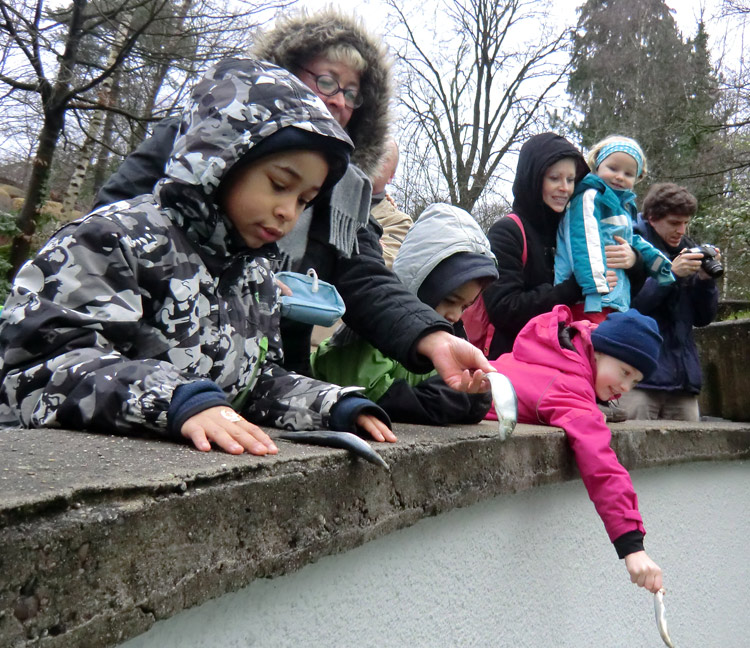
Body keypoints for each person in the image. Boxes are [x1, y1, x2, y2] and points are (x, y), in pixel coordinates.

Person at [0, 58, 397, 455]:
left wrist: (333, 405)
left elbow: (256, 382)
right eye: (279, 184)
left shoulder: (255, 274)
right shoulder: (112, 240)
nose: (288, 212)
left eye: (304, 200)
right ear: (222, 159)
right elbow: (40, 367)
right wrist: (176, 401)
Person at [92, 8, 492, 393]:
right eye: (328, 81)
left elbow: (364, 279)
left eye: (352, 94)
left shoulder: (347, 192)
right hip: (148, 367)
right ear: (282, 71)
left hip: (273, 376)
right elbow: (110, 232)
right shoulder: (194, 138)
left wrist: (432, 336)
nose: (340, 101)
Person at [488, 306, 664, 592]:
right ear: (597, 351)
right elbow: (601, 463)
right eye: (624, 371)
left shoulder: (552, 353)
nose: (625, 387)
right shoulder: (570, 390)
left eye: (635, 381)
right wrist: (632, 546)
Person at [311, 203, 497, 425]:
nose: (456, 315)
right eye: (450, 300)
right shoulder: (371, 333)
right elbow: (373, 394)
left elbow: (461, 398)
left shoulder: (451, 336)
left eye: (465, 307)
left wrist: (476, 395)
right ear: (422, 282)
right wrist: (451, 401)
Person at [618, 183, 720, 421]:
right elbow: (628, 309)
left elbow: (703, 318)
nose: (681, 231)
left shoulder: (688, 250)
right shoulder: (628, 247)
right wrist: (670, 275)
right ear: (652, 218)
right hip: (637, 380)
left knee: (691, 457)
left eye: (685, 223)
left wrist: (705, 281)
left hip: (682, 383)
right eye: (674, 223)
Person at [554, 135, 674, 323]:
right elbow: (584, 241)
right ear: (598, 165)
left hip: (614, 300)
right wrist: (594, 288)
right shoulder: (590, 197)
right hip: (589, 301)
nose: (619, 176)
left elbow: (632, 240)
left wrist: (659, 265)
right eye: (613, 168)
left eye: (628, 174)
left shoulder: (621, 207)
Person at [369, 136, 414, 268]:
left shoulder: (400, 222)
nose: (372, 159)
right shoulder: (324, 195)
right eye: (369, 151)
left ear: (391, 176)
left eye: (383, 157)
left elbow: (382, 265)